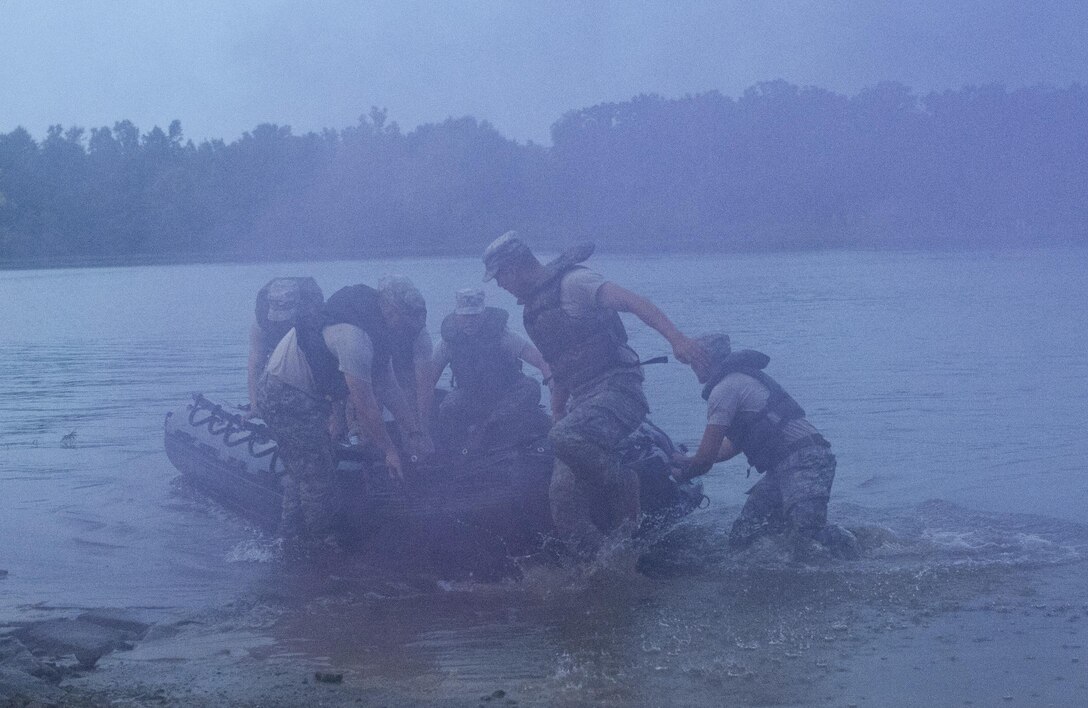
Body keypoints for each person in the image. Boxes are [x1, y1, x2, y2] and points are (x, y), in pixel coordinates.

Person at [481, 231, 707, 559]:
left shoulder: (573, 283)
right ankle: (606, 561)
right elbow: (561, 366)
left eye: (500, 276)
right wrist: (557, 409)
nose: (500, 285)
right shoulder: (534, 309)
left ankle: (623, 480)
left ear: (515, 267)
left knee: (565, 436)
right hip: (583, 401)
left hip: (619, 389)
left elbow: (632, 301)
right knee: (561, 497)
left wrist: (677, 339)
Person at [255, 275, 433, 551]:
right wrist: (390, 450)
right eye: (406, 324)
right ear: (392, 311)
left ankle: (288, 538)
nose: (407, 333)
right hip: (285, 393)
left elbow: (388, 387)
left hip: (306, 393)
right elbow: (365, 405)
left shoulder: (377, 328)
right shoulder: (355, 339)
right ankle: (321, 548)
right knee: (318, 476)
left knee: (303, 468)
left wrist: (414, 432)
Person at [670, 334, 858, 559]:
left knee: (808, 538)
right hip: (786, 466)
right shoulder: (737, 381)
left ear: (705, 360)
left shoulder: (725, 389)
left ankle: (859, 551)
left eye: (693, 360)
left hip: (806, 462)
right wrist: (688, 458)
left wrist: (680, 476)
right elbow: (729, 447)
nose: (691, 366)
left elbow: (705, 460)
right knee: (746, 534)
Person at [426, 287, 550, 453]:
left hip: (507, 391)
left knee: (531, 386)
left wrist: (552, 381)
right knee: (448, 406)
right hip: (472, 394)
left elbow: (540, 360)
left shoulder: (503, 335)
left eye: (474, 315)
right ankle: (454, 447)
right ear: (457, 315)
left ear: (483, 315)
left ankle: (486, 427)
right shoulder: (446, 343)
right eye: (465, 316)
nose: (469, 321)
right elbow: (428, 380)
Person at [246, 277, 324, 419]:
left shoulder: (314, 320)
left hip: (310, 355)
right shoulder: (261, 323)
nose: (281, 321)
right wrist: (254, 405)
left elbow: (327, 365)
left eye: (286, 317)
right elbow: (255, 363)